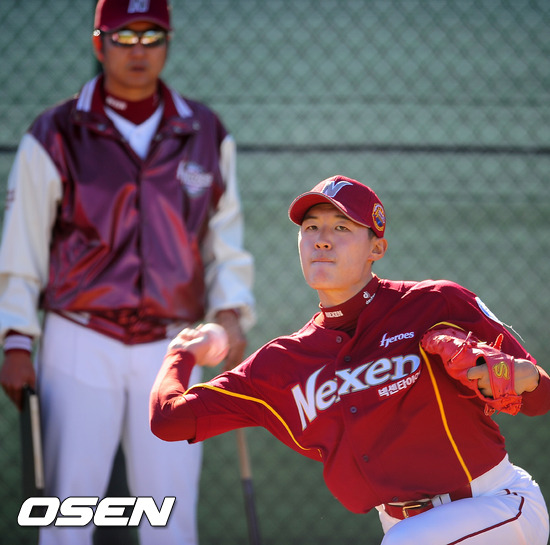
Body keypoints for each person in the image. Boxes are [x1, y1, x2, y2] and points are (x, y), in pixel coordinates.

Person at [150, 174, 550, 545]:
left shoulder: (435, 304)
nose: (322, 240)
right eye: (311, 228)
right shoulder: (282, 364)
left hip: (495, 506)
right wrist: (181, 352)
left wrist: (517, 376)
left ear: (377, 248)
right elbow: (169, 420)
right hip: (402, 526)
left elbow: (542, 395)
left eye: (341, 228)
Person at [0, 0, 255, 544]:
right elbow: (21, 244)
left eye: (152, 36)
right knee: (67, 512)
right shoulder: (54, 132)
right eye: (124, 36)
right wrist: (16, 338)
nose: (139, 50)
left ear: (168, 42)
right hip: (79, 336)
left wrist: (231, 309)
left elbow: (224, 239)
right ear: (99, 43)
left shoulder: (206, 132)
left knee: (170, 513)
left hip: (172, 343)